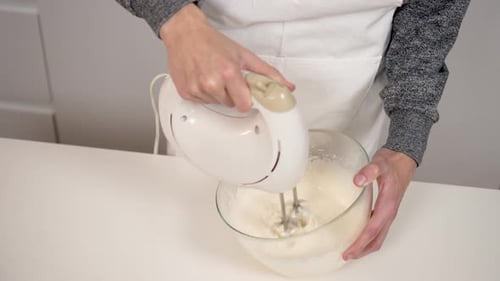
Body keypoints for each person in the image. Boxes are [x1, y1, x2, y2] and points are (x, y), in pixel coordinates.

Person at [116, 0, 470, 260]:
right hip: (214, 112)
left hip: (351, 119)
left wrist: (407, 137)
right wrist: (177, 20)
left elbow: (432, 13)